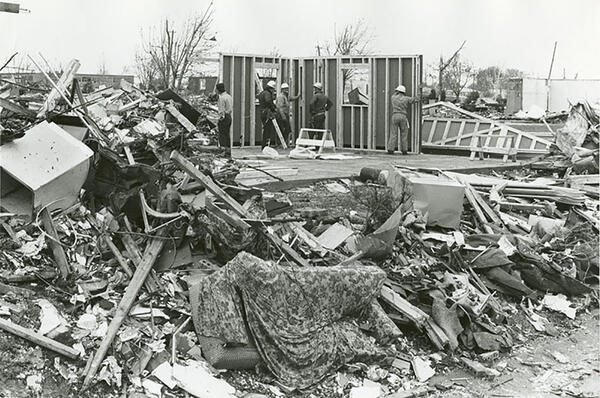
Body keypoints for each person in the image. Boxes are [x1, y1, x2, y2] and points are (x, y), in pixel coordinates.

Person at [387, 84, 420, 155]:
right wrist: (419, 91)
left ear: (397, 91)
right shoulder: (406, 98)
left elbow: (394, 94)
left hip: (395, 116)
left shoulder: (393, 97)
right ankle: (404, 150)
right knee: (404, 134)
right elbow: (416, 99)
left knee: (393, 134)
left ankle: (390, 150)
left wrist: (396, 91)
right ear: (404, 92)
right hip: (403, 116)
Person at [257, 80, 278, 148]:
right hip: (267, 113)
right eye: (273, 90)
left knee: (266, 129)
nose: (273, 91)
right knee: (267, 130)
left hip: (263, 113)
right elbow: (268, 101)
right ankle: (265, 146)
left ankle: (264, 145)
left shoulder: (262, 93)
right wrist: (273, 108)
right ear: (271, 88)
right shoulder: (267, 94)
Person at [216, 82, 233, 157]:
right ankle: (228, 152)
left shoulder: (221, 98)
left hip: (224, 117)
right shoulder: (229, 96)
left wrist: (220, 119)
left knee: (222, 135)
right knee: (227, 134)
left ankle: (223, 152)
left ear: (218, 90)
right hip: (229, 116)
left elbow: (221, 110)